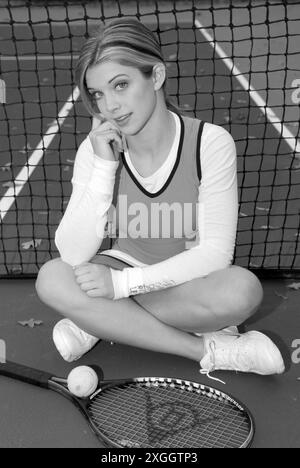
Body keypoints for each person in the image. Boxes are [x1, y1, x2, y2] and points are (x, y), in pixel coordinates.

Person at [35, 18, 284, 382]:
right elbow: (72, 254)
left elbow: (215, 254)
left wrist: (119, 289)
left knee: (241, 291)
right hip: (120, 264)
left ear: (156, 76)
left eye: (121, 85)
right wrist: (104, 166)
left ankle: (104, 321)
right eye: (99, 94)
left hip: (188, 280)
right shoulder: (98, 150)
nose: (111, 107)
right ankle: (208, 349)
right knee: (52, 278)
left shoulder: (210, 144)